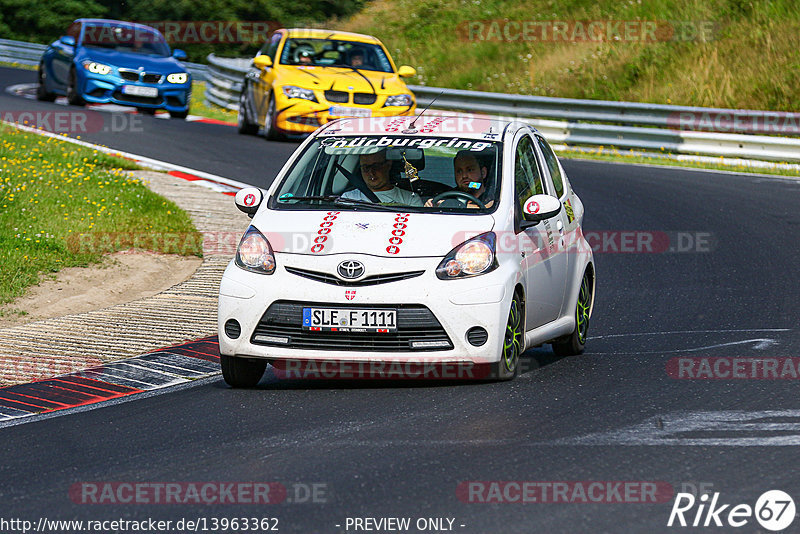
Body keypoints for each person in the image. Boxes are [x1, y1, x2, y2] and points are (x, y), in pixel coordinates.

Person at [341, 149, 422, 206]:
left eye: (376, 166)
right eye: (366, 168)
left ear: (388, 165)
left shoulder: (410, 199)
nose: (371, 172)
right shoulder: (348, 198)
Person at [425, 150, 495, 208]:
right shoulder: (447, 196)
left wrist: (452, 205)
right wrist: (430, 205)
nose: (464, 176)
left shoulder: (493, 196)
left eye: (470, 170)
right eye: (459, 171)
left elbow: (488, 208)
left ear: (483, 173)